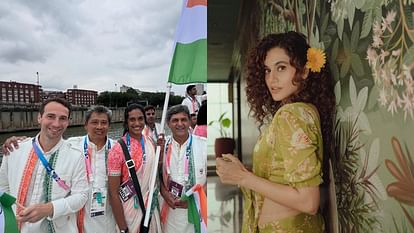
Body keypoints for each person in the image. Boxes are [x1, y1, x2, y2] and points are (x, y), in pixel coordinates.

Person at [216, 31, 335, 233]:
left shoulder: (291, 115)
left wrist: (243, 178)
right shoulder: (303, 111)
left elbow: (308, 201)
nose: (272, 79)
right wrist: (244, 172)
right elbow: (284, 175)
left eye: (281, 68)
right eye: (267, 70)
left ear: (304, 70)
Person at [2, 105, 118, 233]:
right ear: (85, 125)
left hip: (103, 213)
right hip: (71, 215)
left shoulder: (118, 149)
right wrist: (18, 141)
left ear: (109, 126)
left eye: (104, 123)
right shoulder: (73, 144)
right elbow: (49, 141)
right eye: (94, 122)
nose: (99, 127)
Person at [107, 104, 161, 233]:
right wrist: (122, 228)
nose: (137, 123)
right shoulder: (117, 149)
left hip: (151, 208)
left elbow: (155, 174)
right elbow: (113, 193)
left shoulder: (151, 142)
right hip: (129, 212)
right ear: (126, 122)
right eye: (132, 119)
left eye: (140, 119)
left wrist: (161, 150)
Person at [159, 105, 207, 233]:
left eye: (183, 119)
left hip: (198, 211)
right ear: (168, 123)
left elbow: (213, 179)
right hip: (170, 211)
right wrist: (164, 193)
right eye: (175, 120)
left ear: (190, 122)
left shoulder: (204, 145)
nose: (180, 124)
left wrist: (192, 201)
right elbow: (156, 176)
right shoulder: (161, 147)